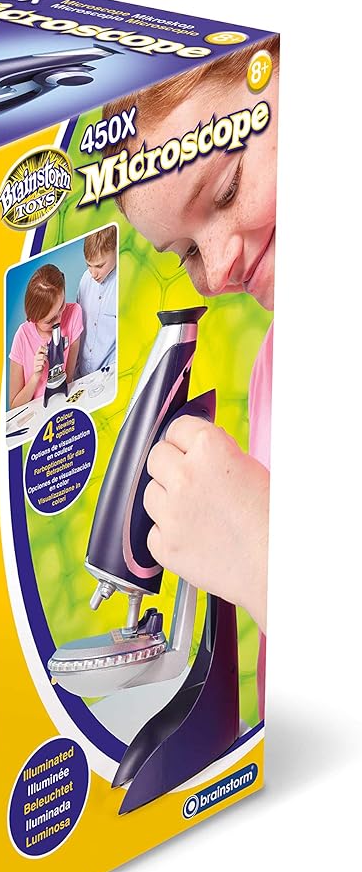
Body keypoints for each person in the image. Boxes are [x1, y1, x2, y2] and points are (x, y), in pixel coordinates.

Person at [102, 36, 278, 715]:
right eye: (185, 254)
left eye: (228, 190)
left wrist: (259, 547)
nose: (222, 266)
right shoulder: (273, 366)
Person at [8, 263, 83, 409]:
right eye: (50, 320)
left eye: (61, 306)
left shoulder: (74, 313)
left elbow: (68, 378)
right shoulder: (22, 336)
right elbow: (14, 406)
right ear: (33, 319)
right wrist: (36, 375)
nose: (59, 320)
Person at [76, 226, 118, 377]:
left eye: (100, 266)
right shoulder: (85, 280)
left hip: (110, 376)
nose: (93, 274)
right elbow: (78, 327)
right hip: (81, 375)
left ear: (116, 250)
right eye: (89, 265)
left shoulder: (123, 282)